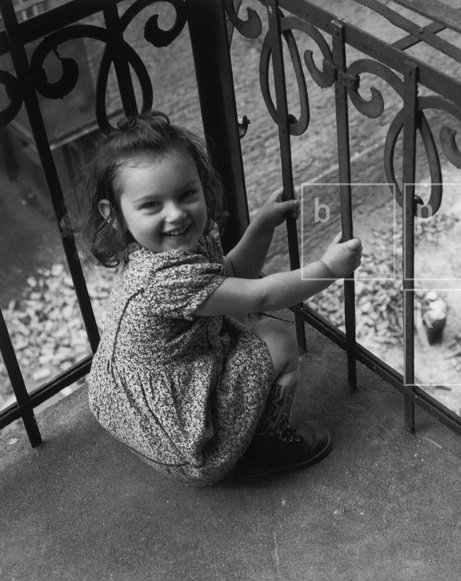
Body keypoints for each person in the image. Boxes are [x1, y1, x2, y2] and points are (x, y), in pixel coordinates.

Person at [82, 112, 362, 485]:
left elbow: (229, 273)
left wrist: (261, 226)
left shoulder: (156, 251)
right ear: (114, 215)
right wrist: (327, 268)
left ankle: (237, 432)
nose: (176, 213)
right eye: (151, 205)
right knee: (277, 339)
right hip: (189, 450)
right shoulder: (165, 280)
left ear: (201, 185)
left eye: (186, 194)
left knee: (245, 324)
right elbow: (260, 291)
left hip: (127, 406)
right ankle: (268, 448)